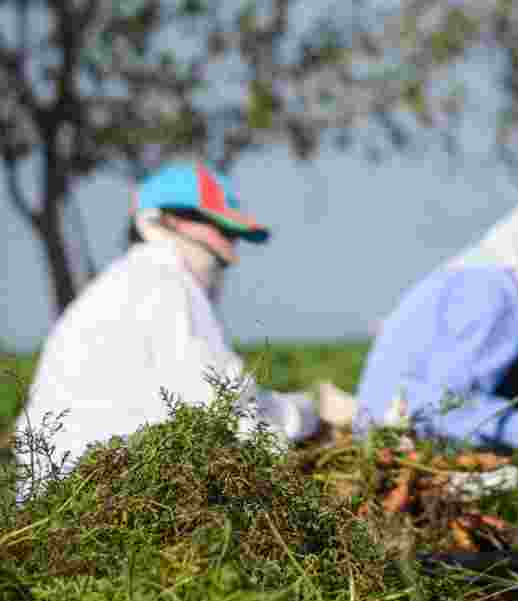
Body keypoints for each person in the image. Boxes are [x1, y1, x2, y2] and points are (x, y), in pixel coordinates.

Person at [13, 161, 334, 499]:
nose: (230, 250)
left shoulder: (124, 283)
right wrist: (308, 418)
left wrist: (297, 411)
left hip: (61, 493)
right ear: (159, 222)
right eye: (220, 229)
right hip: (102, 496)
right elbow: (219, 402)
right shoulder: (166, 284)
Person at [355, 196, 518, 502]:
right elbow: (436, 405)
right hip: (406, 455)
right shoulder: (499, 297)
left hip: (379, 443)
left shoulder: (467, 278)